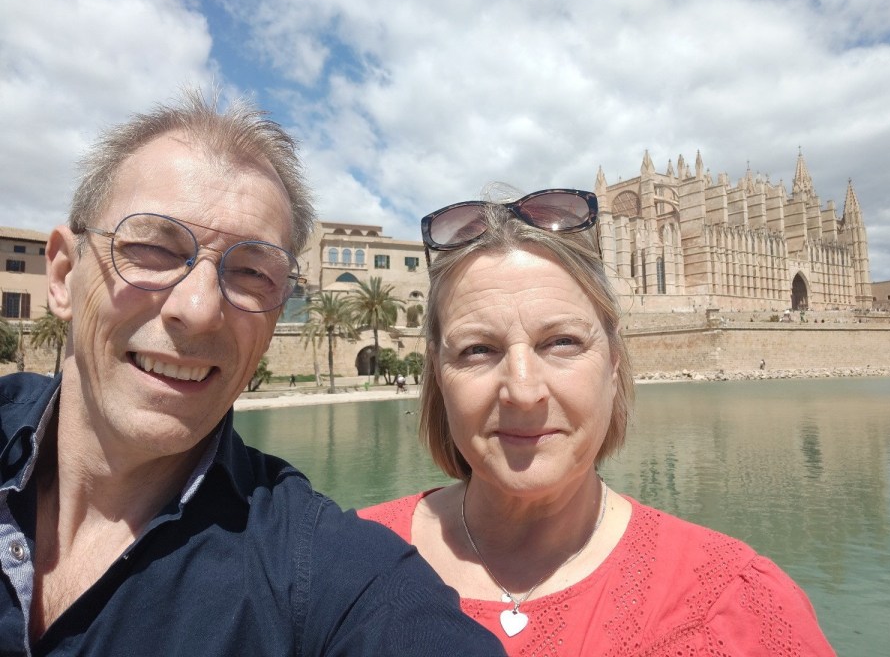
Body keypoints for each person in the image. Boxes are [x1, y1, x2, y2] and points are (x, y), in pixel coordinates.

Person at [0, 92, 506, 656]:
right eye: (151, 249)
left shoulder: (329, 577)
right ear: (65, 276)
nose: (197, 309)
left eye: (250, 273)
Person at [360, 188, 836, 656]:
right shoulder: (335, 567)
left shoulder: (739, 605)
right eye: (478, 349)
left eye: (562, 342)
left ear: (614, 365)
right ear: (437, 377)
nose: (524, 392)